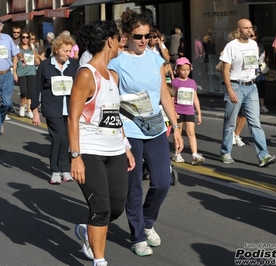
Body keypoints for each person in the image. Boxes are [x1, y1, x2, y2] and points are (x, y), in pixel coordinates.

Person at [108, 9, 184, 257]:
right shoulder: (116, 63)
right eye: (138, 36)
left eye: (147, 35)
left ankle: (148, 222)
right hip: (129, 129)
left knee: (162, 183)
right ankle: (137, 235)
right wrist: (116, 132)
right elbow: (110, 99)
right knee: (134, 187)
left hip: (155, 127)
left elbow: (164, 94)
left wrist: (177, 128)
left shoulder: (155, 59)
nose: (143, 40)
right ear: (126, 36)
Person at [68, 20, 135, 266]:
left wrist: (126, 146)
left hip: (115, 149)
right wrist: (75, 156)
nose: (121, 43)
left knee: (117, 206)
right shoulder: (86, 74)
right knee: (101, 210)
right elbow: (73, 118)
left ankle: (87, 232)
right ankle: (100, 261)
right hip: (89, 150)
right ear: (110, 41)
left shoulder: (113, 76)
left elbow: (114, 115)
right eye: (119, 39)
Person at [219, 18, 276, 167]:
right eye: (246, 28)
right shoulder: (231, 46)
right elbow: (225, 70)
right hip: (236, 86)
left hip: (251, 87)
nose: (249, 30)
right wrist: (230, 90)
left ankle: (263, 155)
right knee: (230, 123)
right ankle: (225, 152)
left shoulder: (254, 45)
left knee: (255, 123)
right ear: (239, 30)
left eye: (250, 27)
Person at [31, 34, 79, 184]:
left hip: (69, 108)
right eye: (65, 51)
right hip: (52, 108)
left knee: (67, 139)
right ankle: (55, 170)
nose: (68, 54)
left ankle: (65, 169)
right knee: (59, 137)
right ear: (57, 49)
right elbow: (36, 88)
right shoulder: (45, 65)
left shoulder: (74, 65)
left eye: (70, 51)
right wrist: (35, 112)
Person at [170, 57, 205, 165]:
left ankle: (194, 154)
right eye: (183, 70)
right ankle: (177, 153)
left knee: (191, 132)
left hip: (189, 111)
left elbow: (195, 98)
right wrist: (173, 112)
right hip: (178, 111)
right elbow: (171, 99)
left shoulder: (192, 82)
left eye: (187, 70)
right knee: (178, 133)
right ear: (177, 70)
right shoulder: (175, 82)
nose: (185, 72)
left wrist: (199, 112)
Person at [13, 30, 36, 119]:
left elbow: (35, 57)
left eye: (27, 37)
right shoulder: (17, 47)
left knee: (30, 92)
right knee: (23, 91)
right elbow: (15, 61)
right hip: (21, 72)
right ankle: (22, 105)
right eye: (23, 37)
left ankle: (29, 110)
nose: (25, 39)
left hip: (31, 71)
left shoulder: (32, 46)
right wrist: (14, 73)